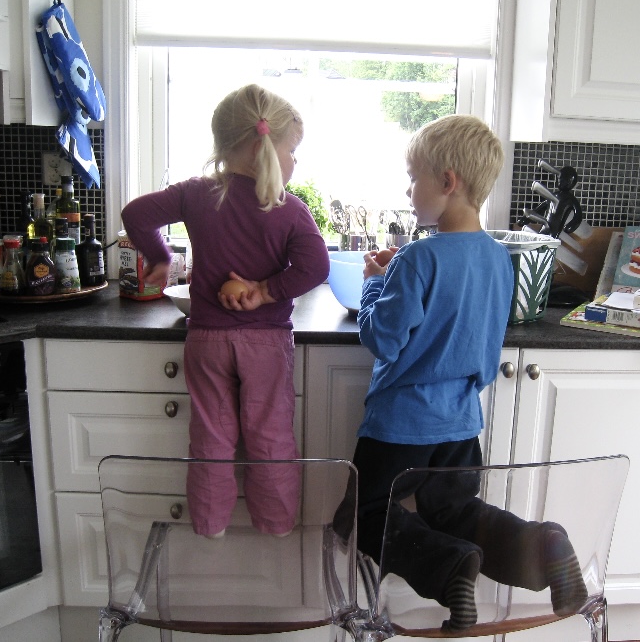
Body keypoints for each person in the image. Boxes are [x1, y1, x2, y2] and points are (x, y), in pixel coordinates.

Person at [338, 114, 587, 630]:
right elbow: (485, 344)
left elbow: (383, 338)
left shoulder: (416, 259)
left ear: (447, 182)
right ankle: (544, 547)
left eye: (414, 179)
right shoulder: (498, 259)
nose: (409, 191)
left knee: (360, 514)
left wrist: (373, 283)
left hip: (400, 424)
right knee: (453, 510)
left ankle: (449, 566)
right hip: (461, 423)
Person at [122, 84, 329, 538]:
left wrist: (159, 256)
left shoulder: (196, 194)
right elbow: (316, 267)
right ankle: (276, 524)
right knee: (270, 436)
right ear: (264, 147)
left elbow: (136, 214)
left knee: (211, 439)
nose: (295, 161)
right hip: (266, 344)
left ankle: (210, 523)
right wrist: (266, 291)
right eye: (293, 151)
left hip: (207, 341)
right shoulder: (289, 209)